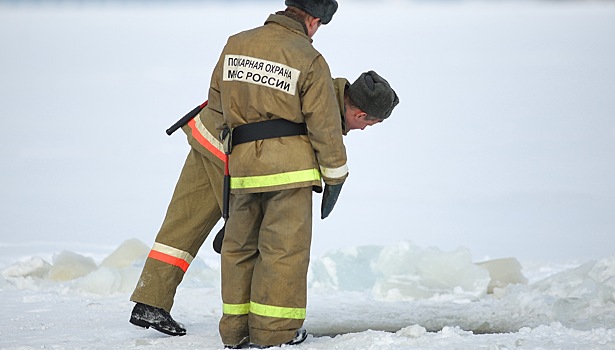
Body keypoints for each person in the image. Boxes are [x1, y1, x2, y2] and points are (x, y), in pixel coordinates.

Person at [208, 1, 398, 348]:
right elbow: (325, 125)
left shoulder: (235, 45)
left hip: (243, 169)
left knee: (239, 249)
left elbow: (217, 105)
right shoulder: (309, 58)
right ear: (312, 19)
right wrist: (336, 176)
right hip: (289, 172)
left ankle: (235, 333)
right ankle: (275, 333)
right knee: (283, 251)